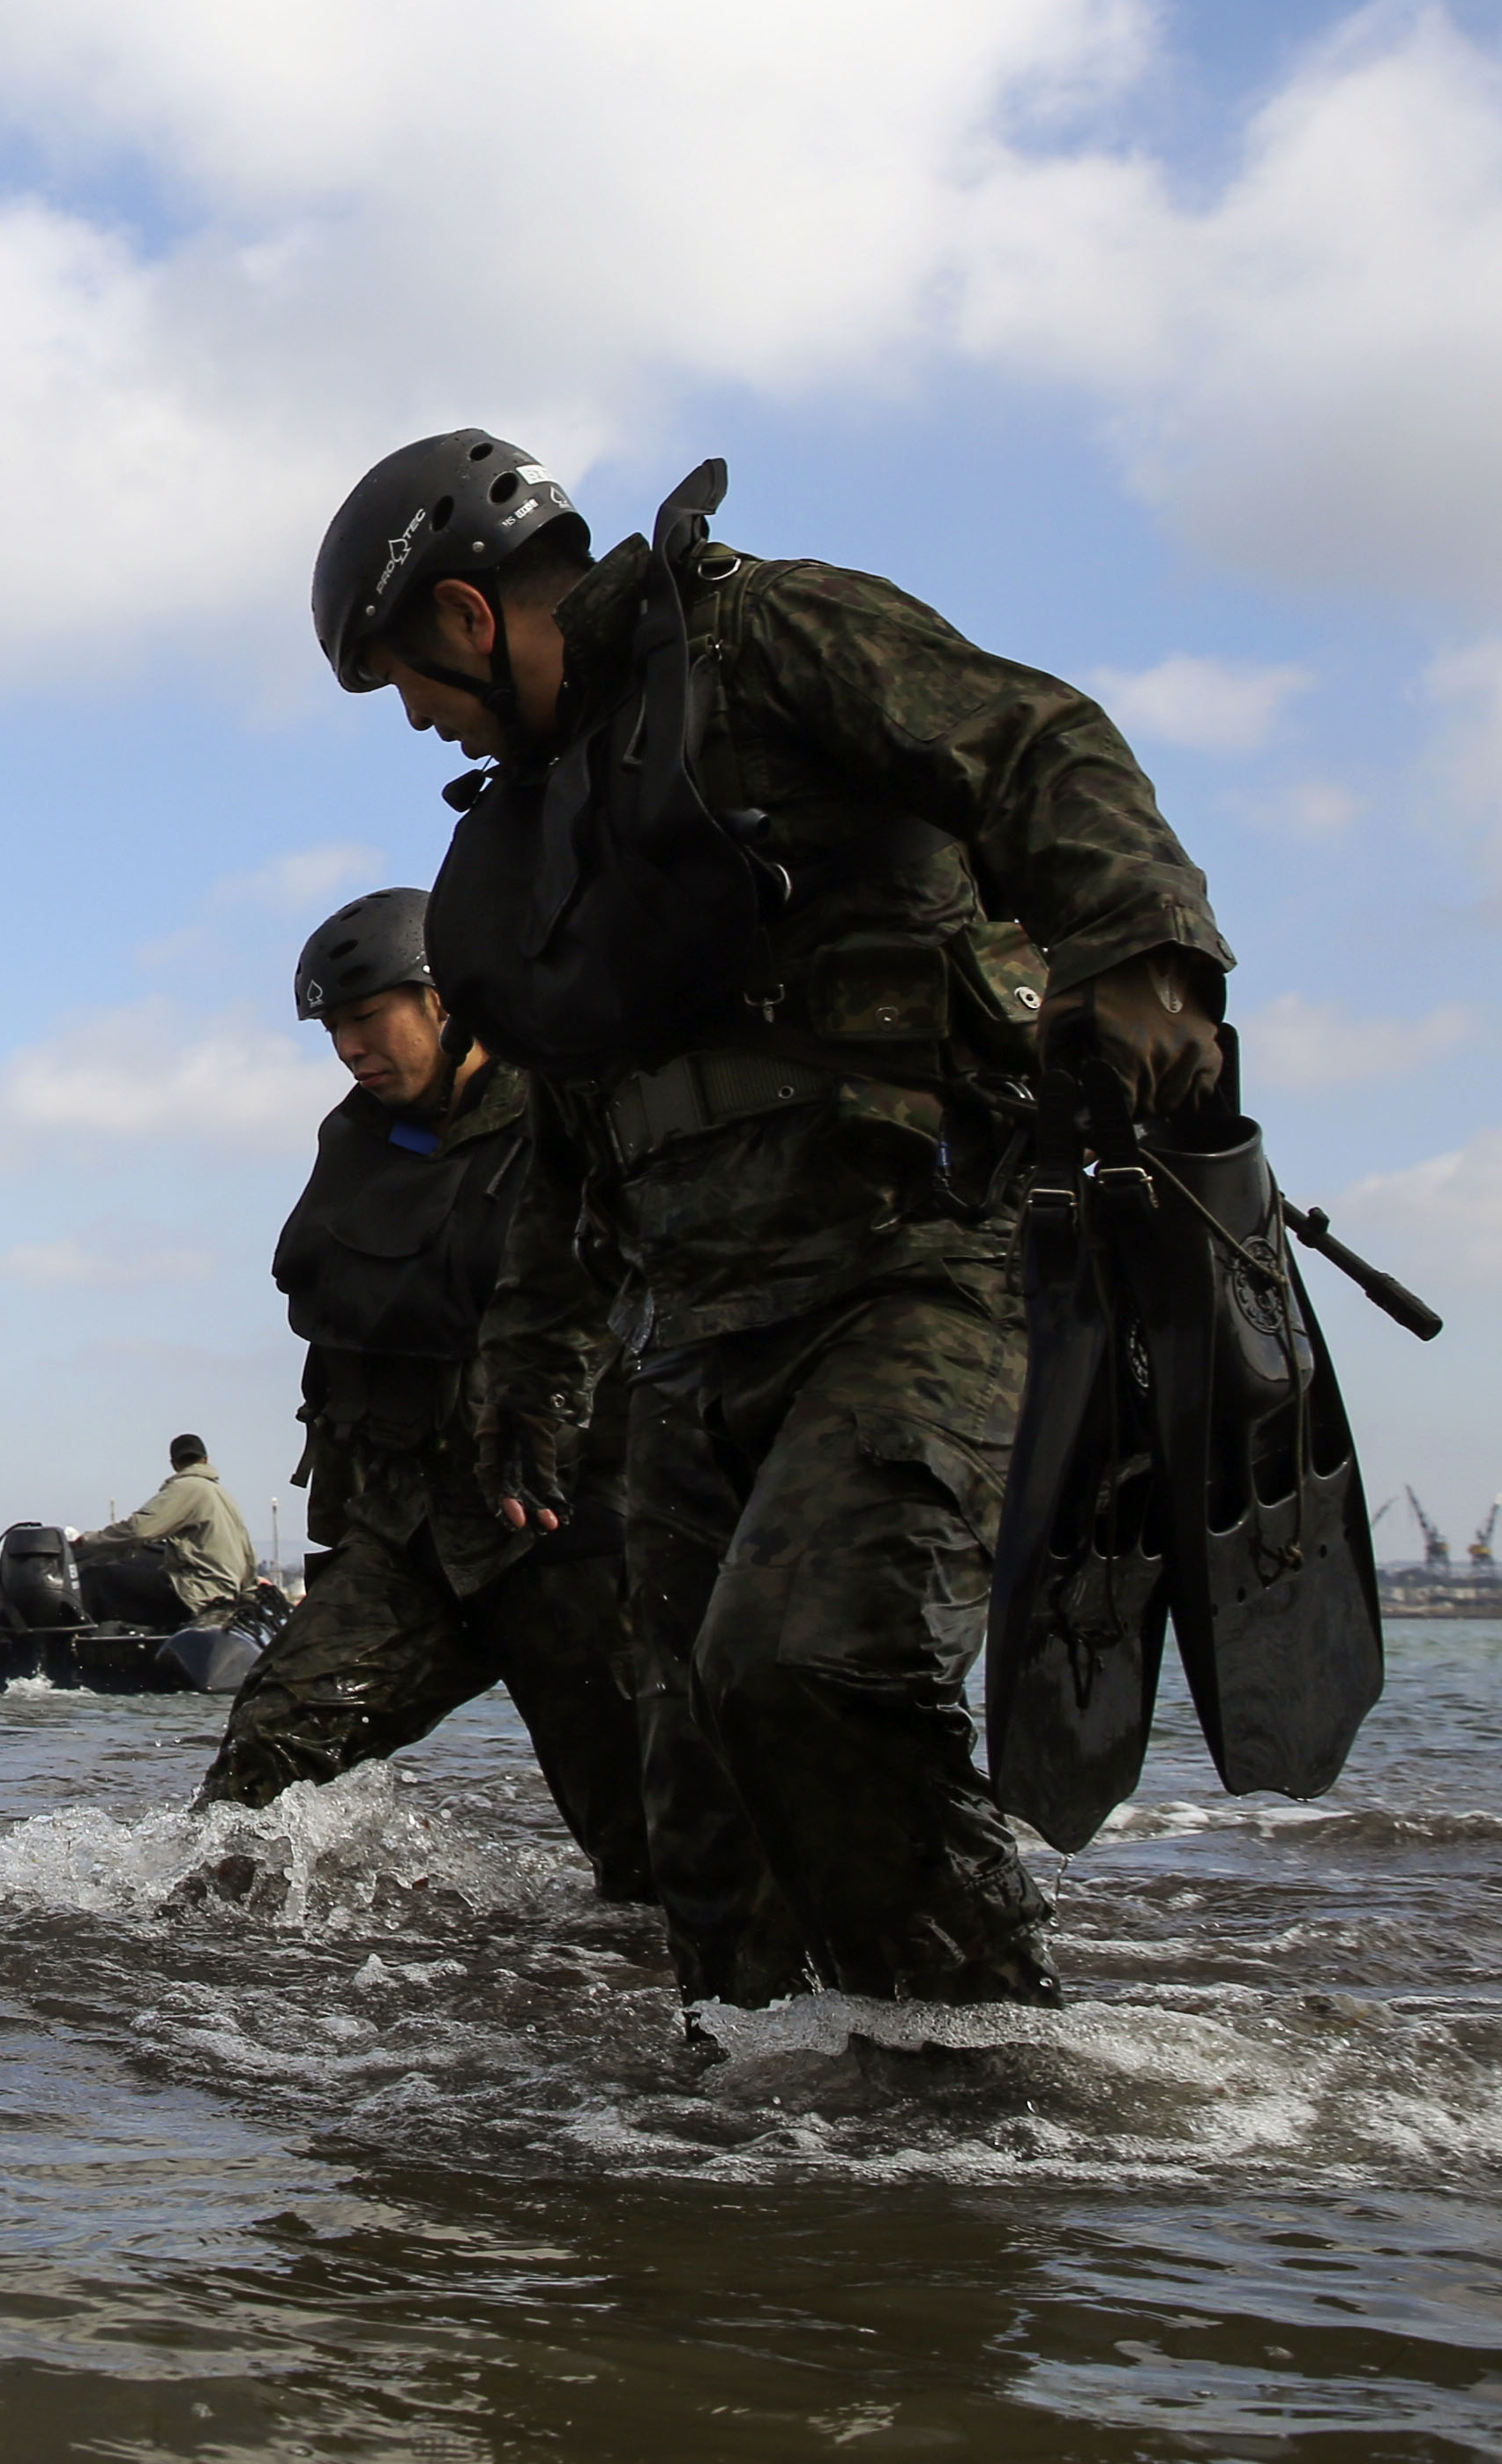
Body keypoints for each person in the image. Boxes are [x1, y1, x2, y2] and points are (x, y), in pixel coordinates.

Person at [314, 429, 1230, 2011]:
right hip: (694, 1336)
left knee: (809, 1665)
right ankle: (757, 2150)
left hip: (925, 1271)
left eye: (409, 676)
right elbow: (563, 1131)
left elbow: (1034, 743)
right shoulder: (538, 842)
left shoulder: (765, 642)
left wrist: (1139, 955)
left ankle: (982, 2070)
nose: (412, 715)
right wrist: (527, 1374)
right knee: (696, 1786)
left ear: (467, 617)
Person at [194, 893, 652, 1901]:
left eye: (370, 1018)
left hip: (574, 1535)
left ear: (449, 1001)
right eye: (334, 1030)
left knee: (651, 1842)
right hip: (412, 1538)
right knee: (261, 1761)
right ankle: (193, 1996)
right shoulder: (354, 1140)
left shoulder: (572, 1107)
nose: (351, 1048)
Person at [83, 1434, 260, 1623]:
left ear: (174, 1464)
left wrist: (86, 1541)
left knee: (96, 1579)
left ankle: (70, 1648)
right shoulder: (224, 1497)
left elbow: (139, 1530)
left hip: (195, 1593)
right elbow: (248, 1556)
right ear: (205, 1460)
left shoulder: (187, 1488)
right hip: (226, 1595)